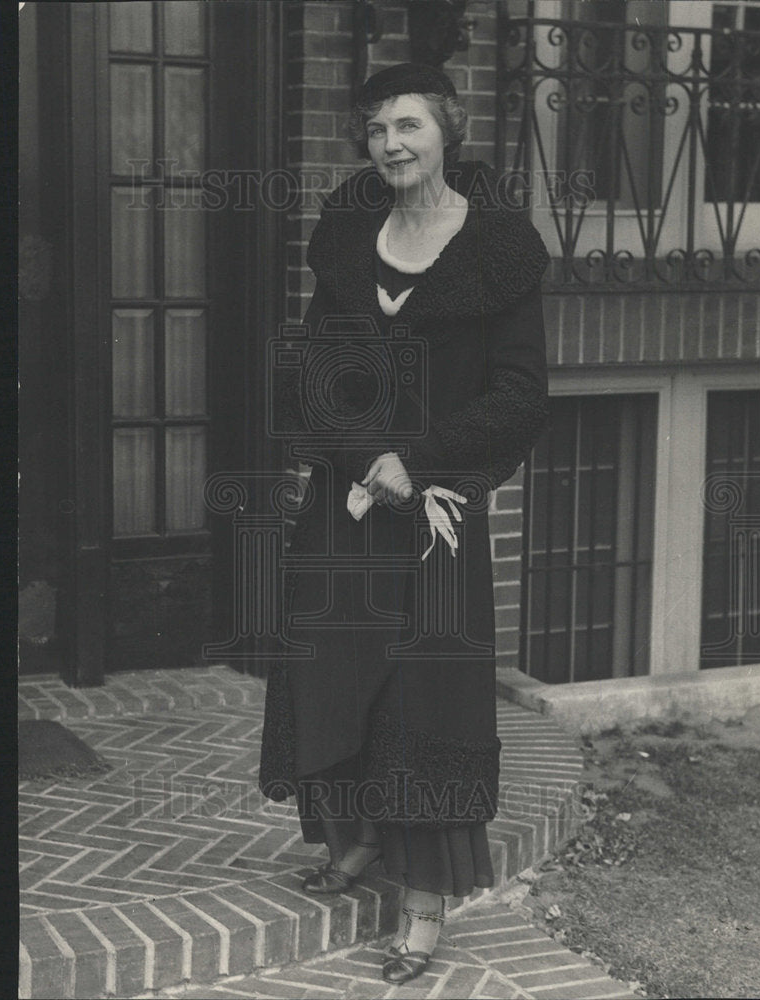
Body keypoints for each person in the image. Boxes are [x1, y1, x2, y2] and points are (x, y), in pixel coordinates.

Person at [259, 63, 549, 984]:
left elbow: (518, 396)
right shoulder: (347, 239)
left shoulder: (498, 248)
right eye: (377, 127)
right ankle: (352, 844)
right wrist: (359, 456)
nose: (391, 143)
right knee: (334, 673)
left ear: (447, 132)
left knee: (425, 700)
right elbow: (309, 367)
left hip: (434, 517)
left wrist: (416, 462)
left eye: (409, 125)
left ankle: (422, 910)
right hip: (347, 505)